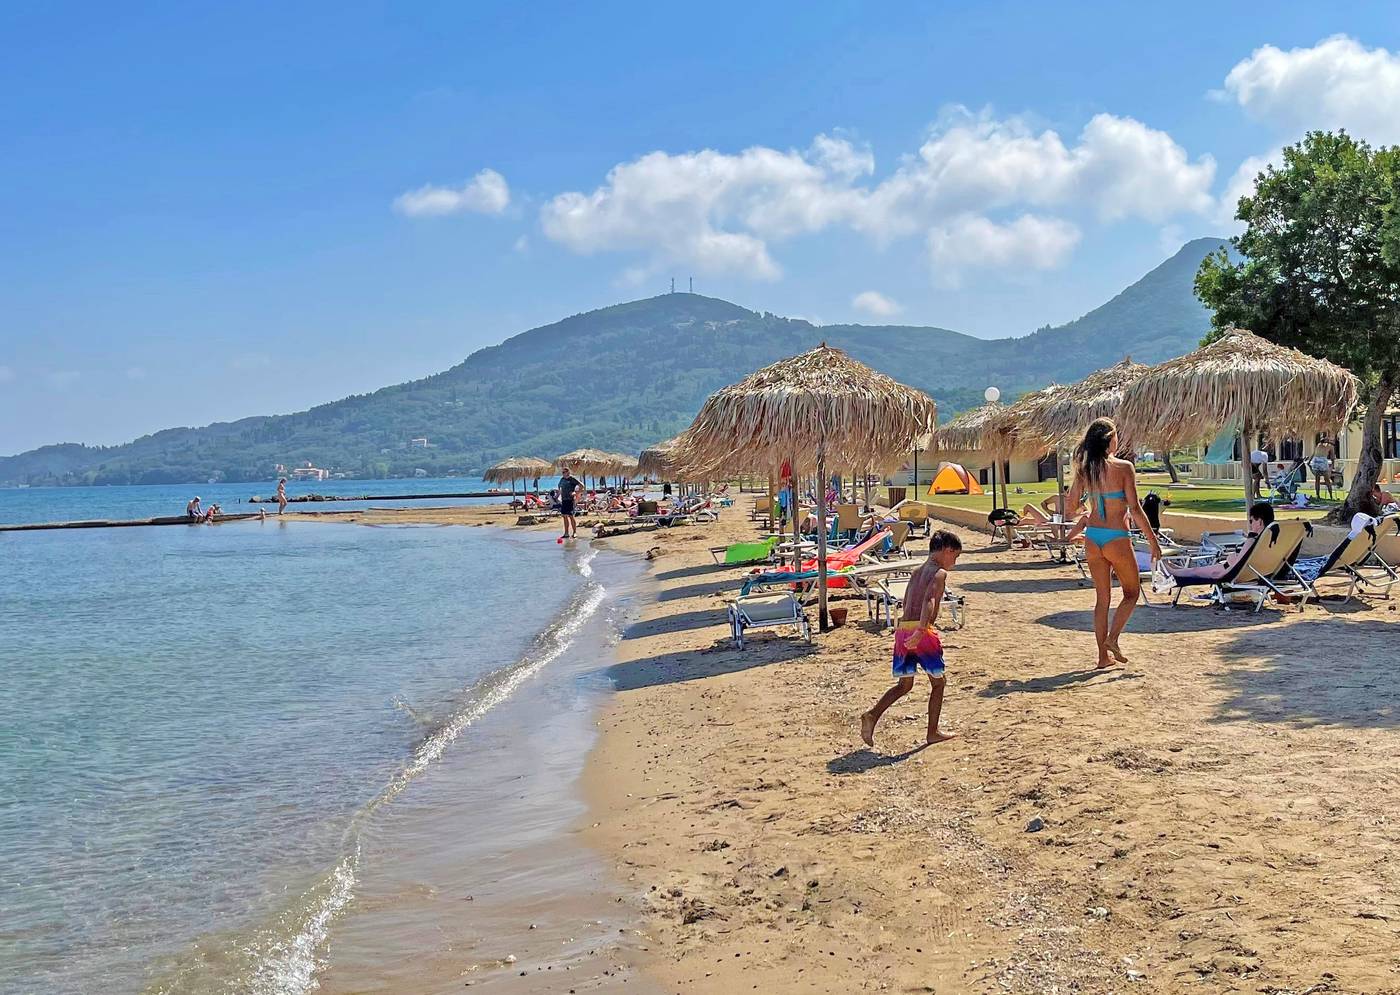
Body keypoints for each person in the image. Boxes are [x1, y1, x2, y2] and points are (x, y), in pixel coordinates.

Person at [1065, 417, 1161, 669]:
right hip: (1116, 536)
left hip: (1093, 537)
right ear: (1110, 439)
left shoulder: (1086, 469)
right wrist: (1153, 542)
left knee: (1102, 599)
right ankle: (1113, 640)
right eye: (1116, 435)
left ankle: (1102, 658)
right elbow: (1136, 510)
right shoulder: (1124, 467)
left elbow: (1070, 507)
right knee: (1131, 592)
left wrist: (1087, 511)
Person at [860, 529, 963, 748]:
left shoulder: (917, 571)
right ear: (947, 550)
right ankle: (932, 732)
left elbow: (906, 602)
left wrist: (907, 630)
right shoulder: (939, 574)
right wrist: (922, 630)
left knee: (904, 684)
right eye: (956, 556)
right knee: (939, 683)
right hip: (920, 633)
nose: (954, 562)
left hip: (903, 629)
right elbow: (929, 600)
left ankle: (872, 715)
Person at [1161, 502, 1274, 584]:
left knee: (1196, 570)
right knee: (1196, 570)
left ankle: (1173, 572)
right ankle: (1177, 570)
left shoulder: (1253, 539)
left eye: (1251, 521)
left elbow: (1240, 561)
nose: (1250, 524)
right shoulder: (1268, 539)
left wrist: (1231, 558)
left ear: (1259, 521)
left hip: (1227, 572)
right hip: (1248, 573)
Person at [557, 466, 583, 539]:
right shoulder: (562, 479)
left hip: (570, 500)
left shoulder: (572, 479)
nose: (563, 473)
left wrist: (576, 492)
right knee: (564, 516)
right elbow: (559, 486)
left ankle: (574, 532)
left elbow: (582, 486)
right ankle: (566, 533)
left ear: (568, 472)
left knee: (571, 516)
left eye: (565, 472)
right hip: (564, 500)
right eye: (562, 472)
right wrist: (559, 493)